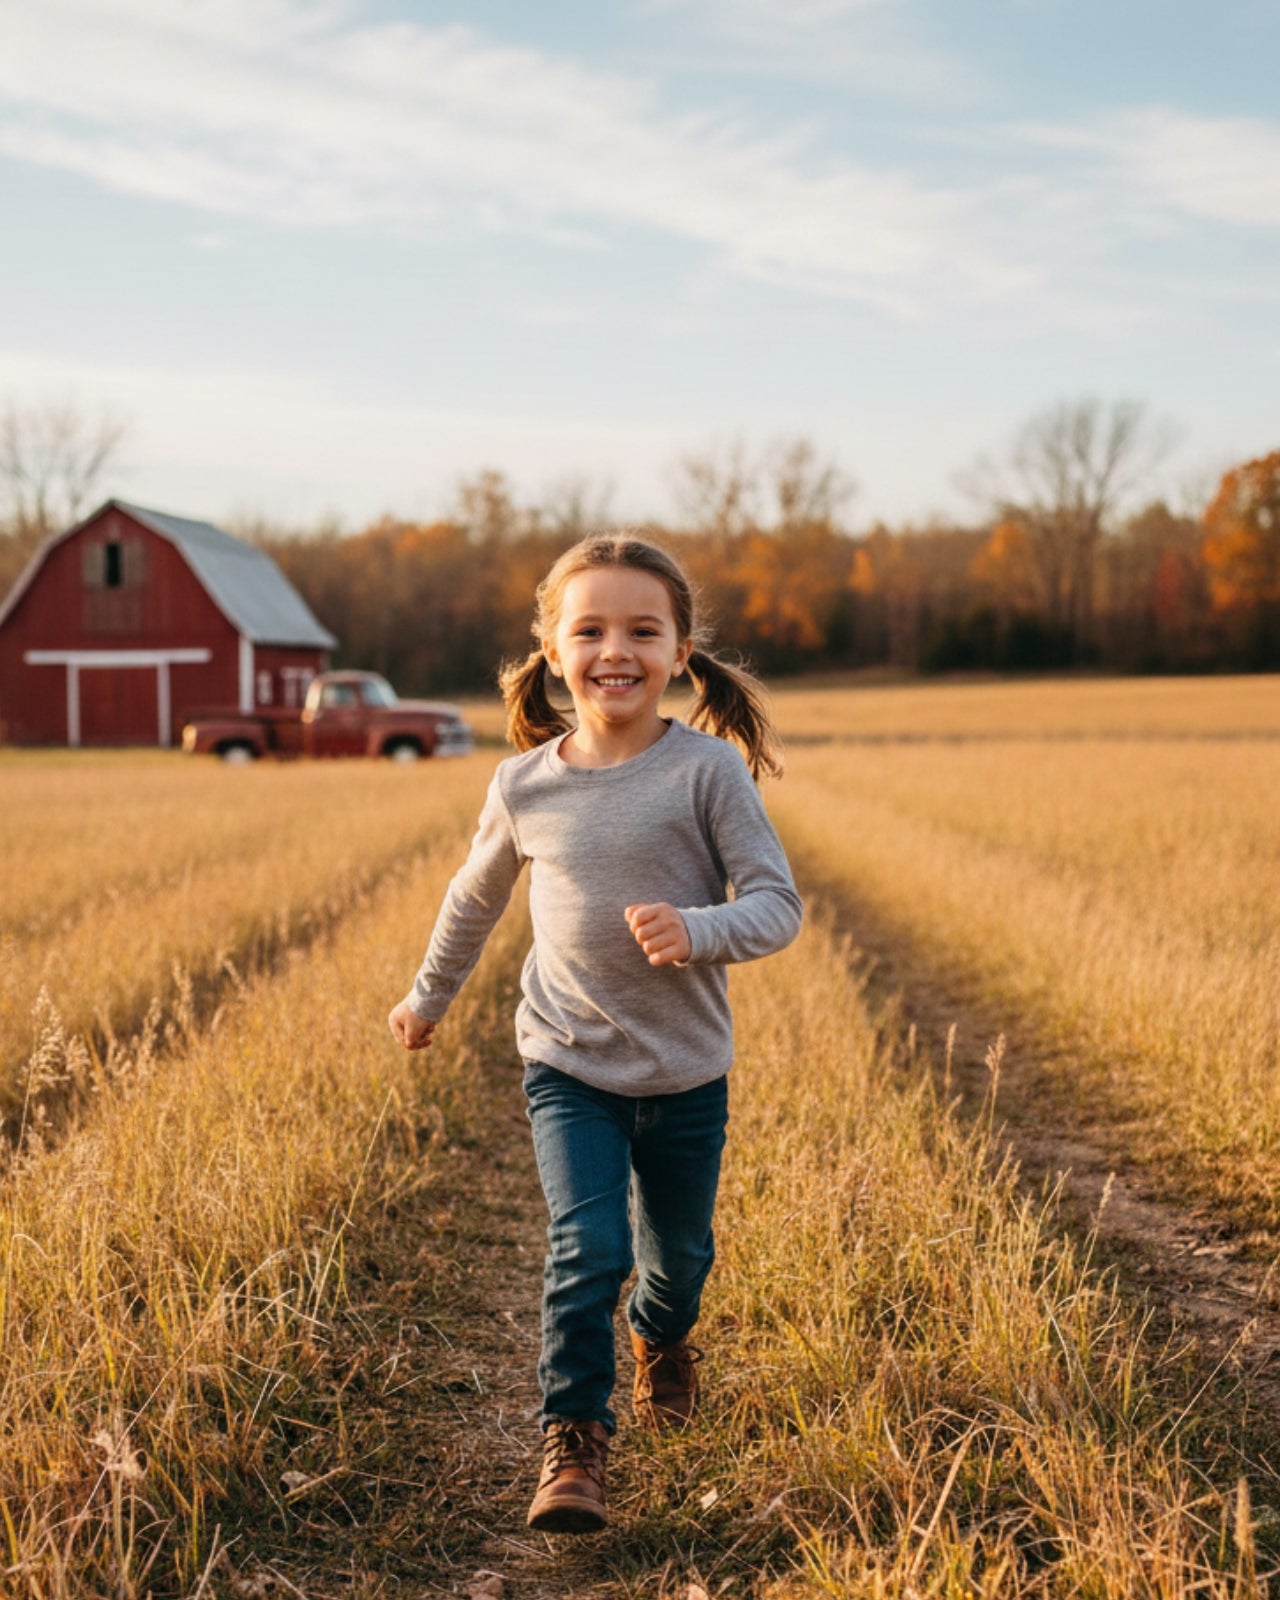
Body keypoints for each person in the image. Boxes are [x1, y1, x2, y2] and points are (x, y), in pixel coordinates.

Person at [387, 532, 802, 1534]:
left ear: (678, 650)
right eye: (590, 629)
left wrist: (696, 930)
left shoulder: (704, 773)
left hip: (686, 1073)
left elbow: (777, 905)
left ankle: (663, 1341)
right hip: (566, 1063)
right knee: (588, 1246)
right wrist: (427, 995)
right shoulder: (523, 783)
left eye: (640, 630)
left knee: (678, 1265)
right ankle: (573, 1442)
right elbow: (472, 900)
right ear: (551, 647)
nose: (614, 650)